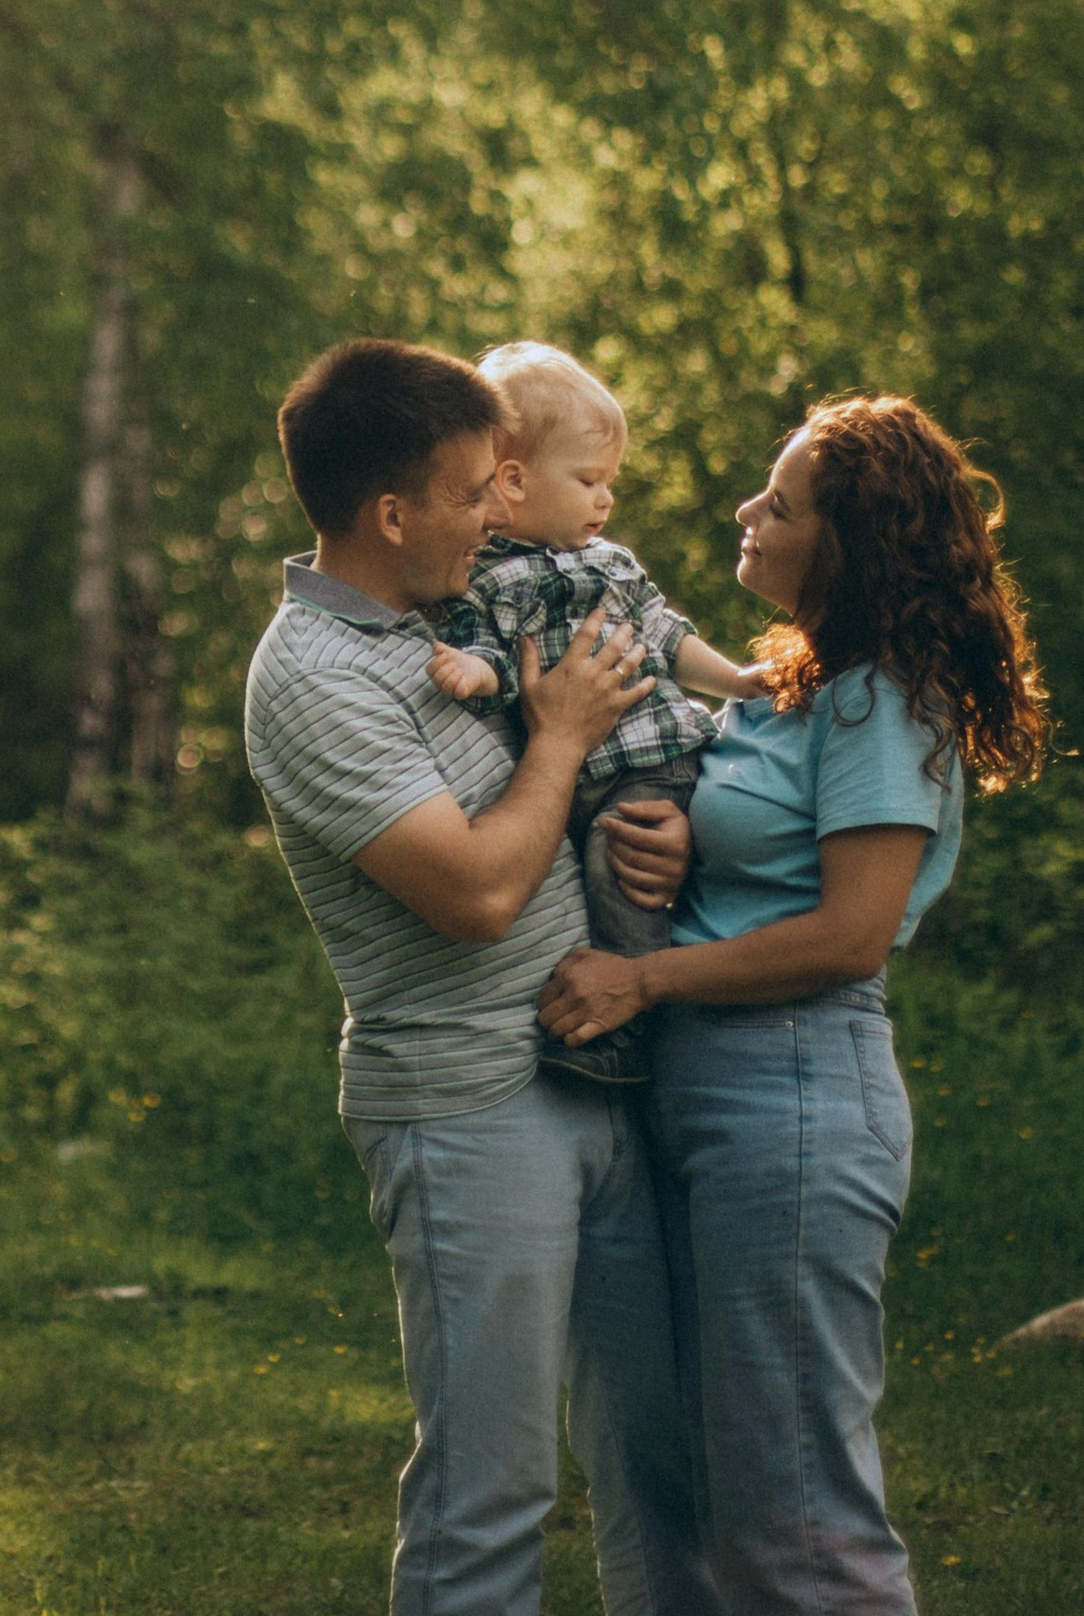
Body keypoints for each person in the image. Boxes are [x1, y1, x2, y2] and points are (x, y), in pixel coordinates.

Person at [539, 395, 1051, 1615]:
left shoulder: (885, 695)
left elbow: (848, 931)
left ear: (847, 541)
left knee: (794, 1514)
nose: (746, 514)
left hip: (793, 1093)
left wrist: (641, 973)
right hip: (695, 1086)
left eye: (778, 503)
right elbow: (753, 852)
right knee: (667, 1485)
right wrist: (669, 844)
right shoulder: (790, 682)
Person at [245, 339, 713, 1616]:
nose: (497, 512)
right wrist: (562, 733)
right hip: (466, 1109)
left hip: (599, 1068)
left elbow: (581, 796)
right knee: (489, 1492)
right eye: (471, 494)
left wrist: (661, 827)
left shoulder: (475, 617)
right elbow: (476, 892)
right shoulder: (313, 677)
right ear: (392, 514)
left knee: (665, 1467)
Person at [424, 343, 764, 1086]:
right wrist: (474, 670)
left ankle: (630, 1031)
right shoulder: (483, 575)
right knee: (588, 882)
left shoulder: (610, 564)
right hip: (571, 775)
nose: (604, 501)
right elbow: (485, 649)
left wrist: (737, 682)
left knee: (622, 877)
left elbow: (667, 636)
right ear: (512, 481)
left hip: (646, 757)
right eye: (587, 481)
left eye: (608, 483)